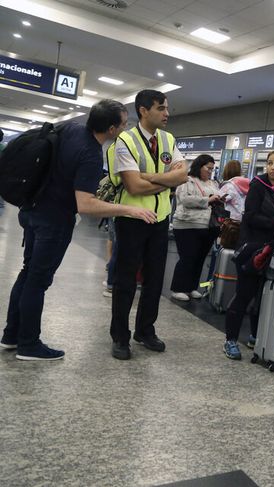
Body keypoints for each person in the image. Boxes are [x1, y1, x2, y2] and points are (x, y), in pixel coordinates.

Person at [0, 99, 157, 360]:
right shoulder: (90, 154)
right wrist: (129, 209)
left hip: (32, 210)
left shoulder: (70, 128)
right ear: (110, 129)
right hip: (54, 221)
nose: (125, 127)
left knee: (28, 274)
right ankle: (28, 344)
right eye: (123, 123)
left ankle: (11, 335)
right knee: (38, 281)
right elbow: (85, 205)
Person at [107, 89, 189, 360]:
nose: (167, 114)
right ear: (143, 110)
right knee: (125, 281)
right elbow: (132, 185)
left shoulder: (168, 139)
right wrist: (164, 179)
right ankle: (120, 337)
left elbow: (182, 176)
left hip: (160, 220)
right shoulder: (125, 140)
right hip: (131, 219)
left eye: (167, 109)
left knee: (155, 280)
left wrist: (149, 177)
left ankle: (145, 330)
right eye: (161, 108)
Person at [224, 150, 274, 360]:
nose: (273, 167)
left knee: (261, 296)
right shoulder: (258, 186)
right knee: (244, 293)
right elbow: (251, 217)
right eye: (270, 163)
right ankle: (230, 340)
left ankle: (254, 335)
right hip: (252, 249)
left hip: (272, 250)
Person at [169, 154, 221, 301]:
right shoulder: (186, 180)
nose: (210, 171)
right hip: (186, 225)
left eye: (212, 168)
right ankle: (178, 288)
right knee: (187, 258)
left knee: (199, 259)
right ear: (200, 166)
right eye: (208, 168)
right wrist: (208, 200)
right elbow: (185, 200)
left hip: (207, 226)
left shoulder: (212, 183)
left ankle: (191, 287)